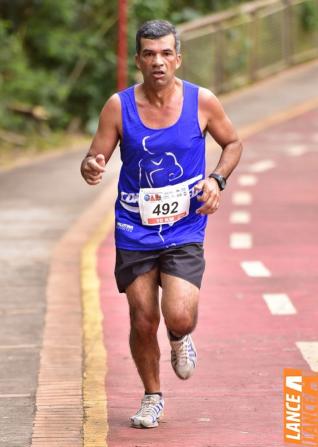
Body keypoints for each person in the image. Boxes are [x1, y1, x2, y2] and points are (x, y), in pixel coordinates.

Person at [81, 19, 242, 429]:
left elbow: (233, 143)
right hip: (134, 226)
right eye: (149, 54)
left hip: (185, 225)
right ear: (138, 60)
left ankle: (180, 336)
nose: (158, 61)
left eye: (166, 53)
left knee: (179, 315)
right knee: (141, 318)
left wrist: (216, 179)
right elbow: (94, 155)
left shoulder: (201, 101)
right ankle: (152, 395)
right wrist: (91, 165)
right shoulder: (119, 106)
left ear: (178, 58)